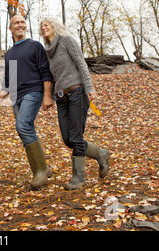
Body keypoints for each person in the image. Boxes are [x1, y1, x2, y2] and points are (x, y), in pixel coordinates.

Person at [40, 17, 111, 190]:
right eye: (41, 27)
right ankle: (101, 154)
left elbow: (81, 63)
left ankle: (78, 178)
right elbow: (50, 76)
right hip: (61, 98)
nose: (43, 28)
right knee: (68, 139)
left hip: (77, 92)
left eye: (46, 25)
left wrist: (90, 88)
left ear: (54, 26)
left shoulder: (67, 41)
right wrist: (48, 97)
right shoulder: (47, 51)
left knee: (76, 137)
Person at [0, 14, 54, 190]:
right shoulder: (10, 53)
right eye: (16, 23)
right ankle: (41, 171)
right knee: (24, 131)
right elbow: (9, 80)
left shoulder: (35, 46)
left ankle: (42, 170)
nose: (20, 25)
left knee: (23, 125)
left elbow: (45, 71)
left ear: (25, 26)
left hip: (33, 92)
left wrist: (47, 95)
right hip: (16, 97)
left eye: (22, 22)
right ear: (11, 29)